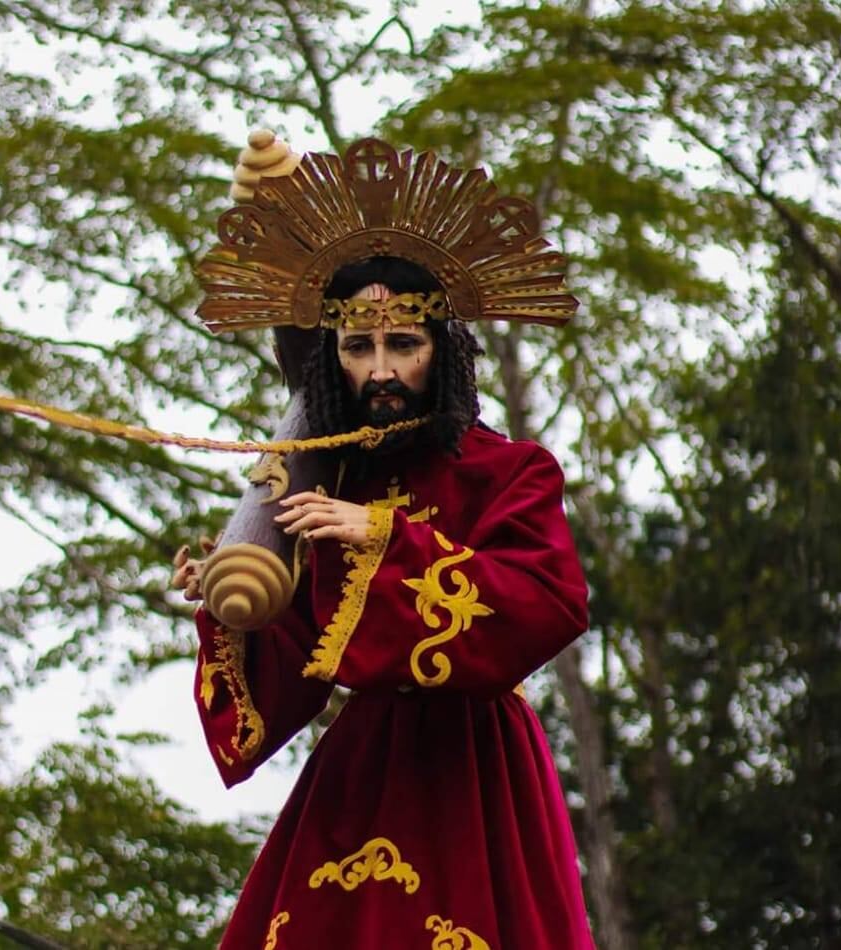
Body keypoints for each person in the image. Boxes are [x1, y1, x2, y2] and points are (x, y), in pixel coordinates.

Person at [176, 132, 596, 949]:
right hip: (362, 764)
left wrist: (384, 536)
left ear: (441, 352)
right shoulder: (327, 475)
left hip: (474, 770)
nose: (379, 371)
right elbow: (301, 657)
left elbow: (548, 604)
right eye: (357, 348)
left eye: (402, 344)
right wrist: (239, 606)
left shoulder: (511, 471)